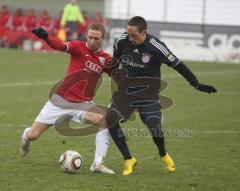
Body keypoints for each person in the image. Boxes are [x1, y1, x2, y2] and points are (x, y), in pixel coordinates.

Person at [105, 16, 217, 176]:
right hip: (126, 91)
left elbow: (178, 64)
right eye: (128, 34)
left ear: (144, 32)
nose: (130, 38)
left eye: (134, 35)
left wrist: (196, 84)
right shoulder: (122, 40)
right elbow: (115, 59)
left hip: (148, 93)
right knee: (110, 118)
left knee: (154, 127)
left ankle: (163, 153)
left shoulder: (156, 47)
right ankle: (128, 159)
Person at [20, 22, 115, 174]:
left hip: (83, 104)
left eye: (96, 38)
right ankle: (26, 136)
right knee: (33, 135)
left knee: (104, 121)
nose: (91, 41)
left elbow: (116, 76)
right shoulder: (78, 47)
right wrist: (46, 37)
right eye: (89, 37)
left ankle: (97, 163)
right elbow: (59, 45)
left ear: (102, 38)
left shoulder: (105, 59)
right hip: (60, 101)